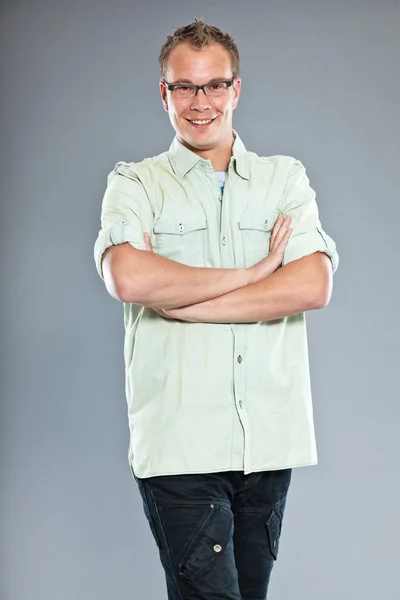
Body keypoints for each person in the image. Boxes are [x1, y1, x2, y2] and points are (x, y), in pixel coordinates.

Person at [93, 18, 339, 600]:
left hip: (267, 443)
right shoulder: (136, 183)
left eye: (213, 85)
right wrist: (255, 273)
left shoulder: (284, 178)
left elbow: (311, 284)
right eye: (184, 87)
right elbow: (129, 277)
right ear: (164, 93)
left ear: (236, 89)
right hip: (180, 444)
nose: (199, 103)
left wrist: (190, 303)